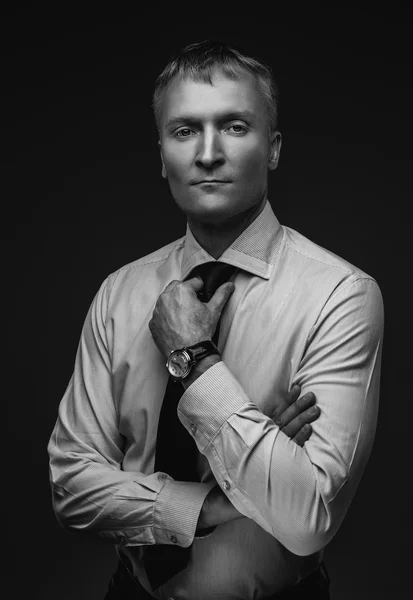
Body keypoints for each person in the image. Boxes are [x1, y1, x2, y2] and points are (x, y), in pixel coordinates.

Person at [48, 40, 384, 600]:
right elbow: (71, 488)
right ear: (162, 155)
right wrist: (225, 498)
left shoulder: (340, 295)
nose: (207, 153)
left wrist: (194, 359)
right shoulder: (120, 292)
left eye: (233, 126)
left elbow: (307, 519)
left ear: (272, 148)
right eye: (184, 131)